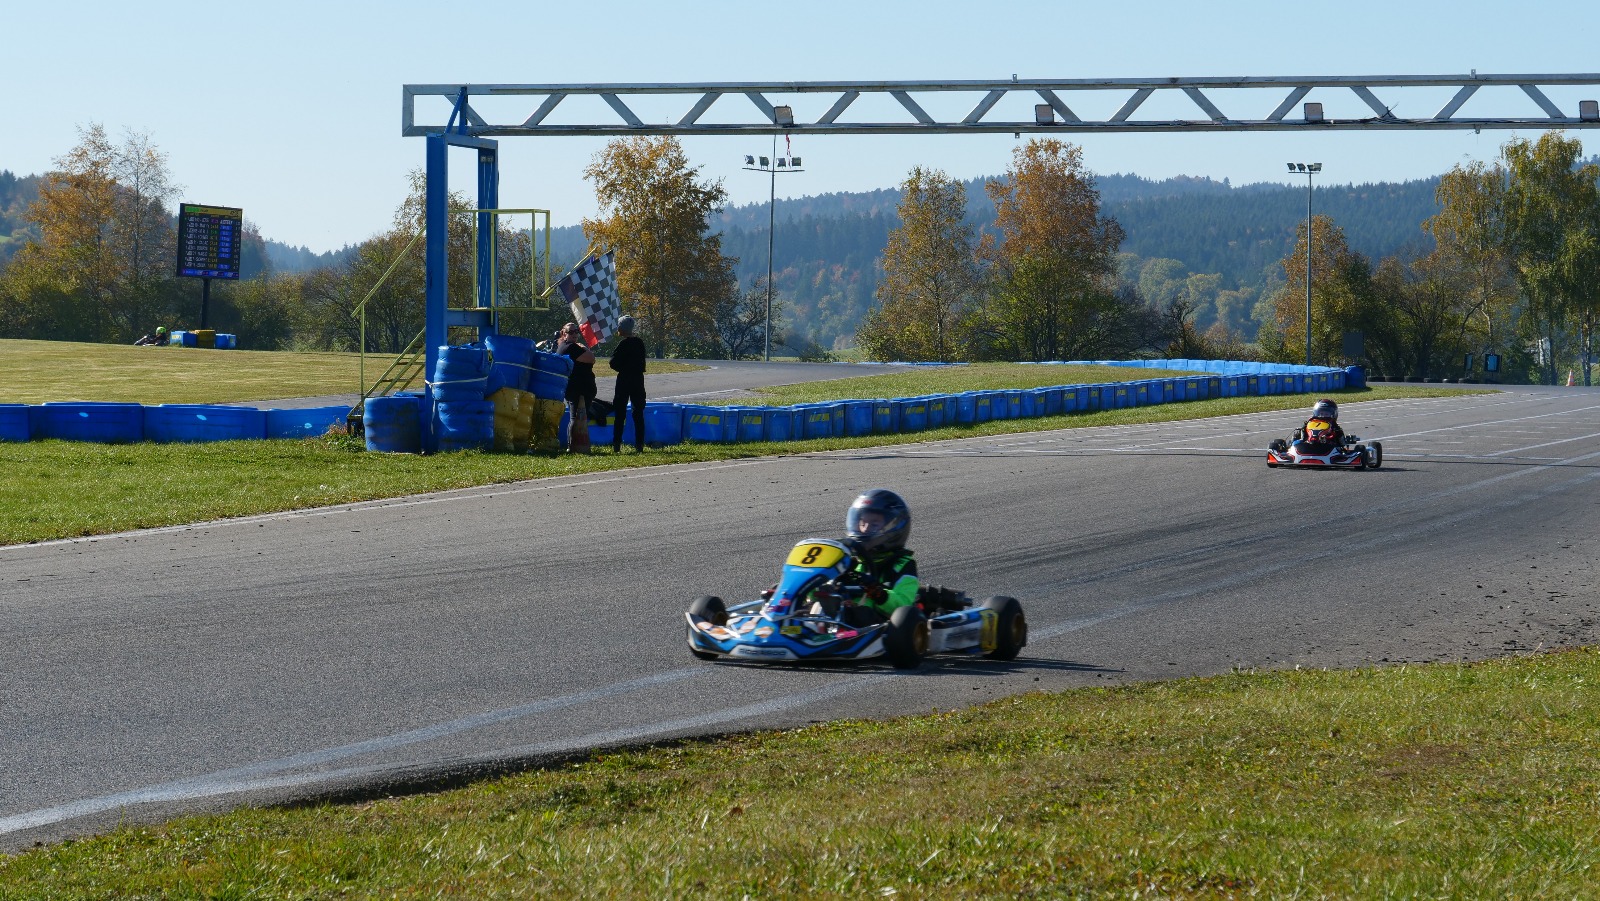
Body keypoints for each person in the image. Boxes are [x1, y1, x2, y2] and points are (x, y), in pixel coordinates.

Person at [832, 489, 920, 627]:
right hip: (839, 617)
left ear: (894, 528)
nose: (866, 529)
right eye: (862, 523)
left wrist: (878, 593)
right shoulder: (851, 562)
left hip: (879, 625)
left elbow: (903, 605)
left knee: (862, 614)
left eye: (874, 524)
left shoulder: (903, 565)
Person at [556, 322, 597, 454]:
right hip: (579, 387)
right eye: (571, 332)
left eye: (576, 332)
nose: (574, 334)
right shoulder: (571, 347)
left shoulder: (562, 346)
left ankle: (575, 445)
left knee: (575, 417)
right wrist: (584, 347)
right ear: (564, 334)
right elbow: (591, 358)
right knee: (576, 417)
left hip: (574, 387)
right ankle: (574, 446)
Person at [608, 315, 647, 452]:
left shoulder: (623, 344)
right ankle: (639, 444)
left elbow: (613, 362)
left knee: (620, 412)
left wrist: (622, 368)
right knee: (638, 412)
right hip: (638, 379)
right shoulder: (639, 342)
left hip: (624, 379)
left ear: (622, 329)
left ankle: (617, 444)